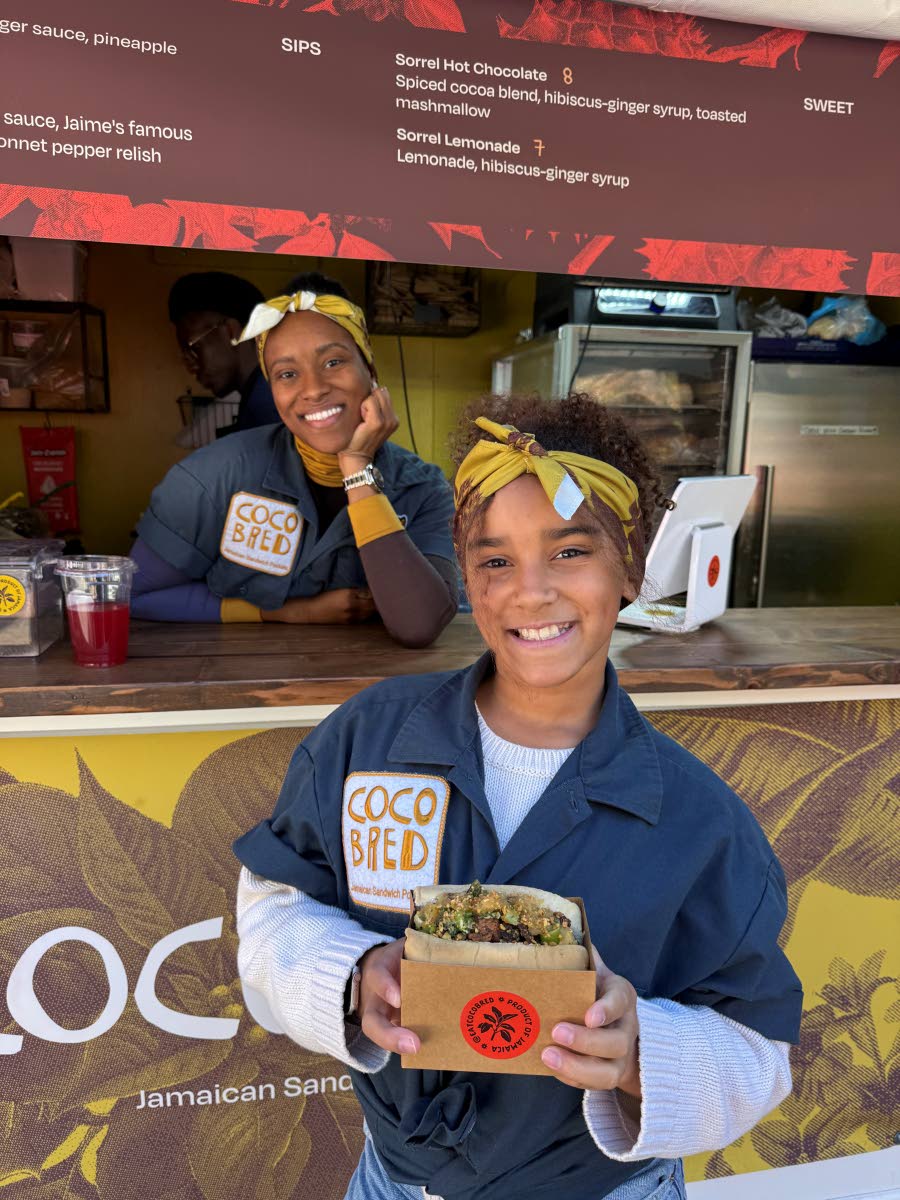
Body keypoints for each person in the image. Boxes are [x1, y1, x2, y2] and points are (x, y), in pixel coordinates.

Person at [232, 393, 803, 1200]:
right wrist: (351, 974)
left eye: (570, 551)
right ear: (466, 576)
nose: (530, 592)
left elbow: (758, 1050)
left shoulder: (696, 818)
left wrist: (643, 1052)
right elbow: (274, 900)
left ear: (631, 564)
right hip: (394, 1181)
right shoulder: (369, 741)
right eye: (495, 560)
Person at [130, 275, 458, 646]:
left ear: (371, 372)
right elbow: (132, 593)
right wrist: (283, 612)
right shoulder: (211, 479)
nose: (314, 388)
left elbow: (420, 625)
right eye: (287, 374)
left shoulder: (424, 489)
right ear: (273, 391)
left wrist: (357, 471)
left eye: (333, 361)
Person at [168, 271, 280, 431]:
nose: (190, 366)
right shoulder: (262, 393)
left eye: (194, 349)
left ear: (231, 333)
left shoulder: (268, 406)